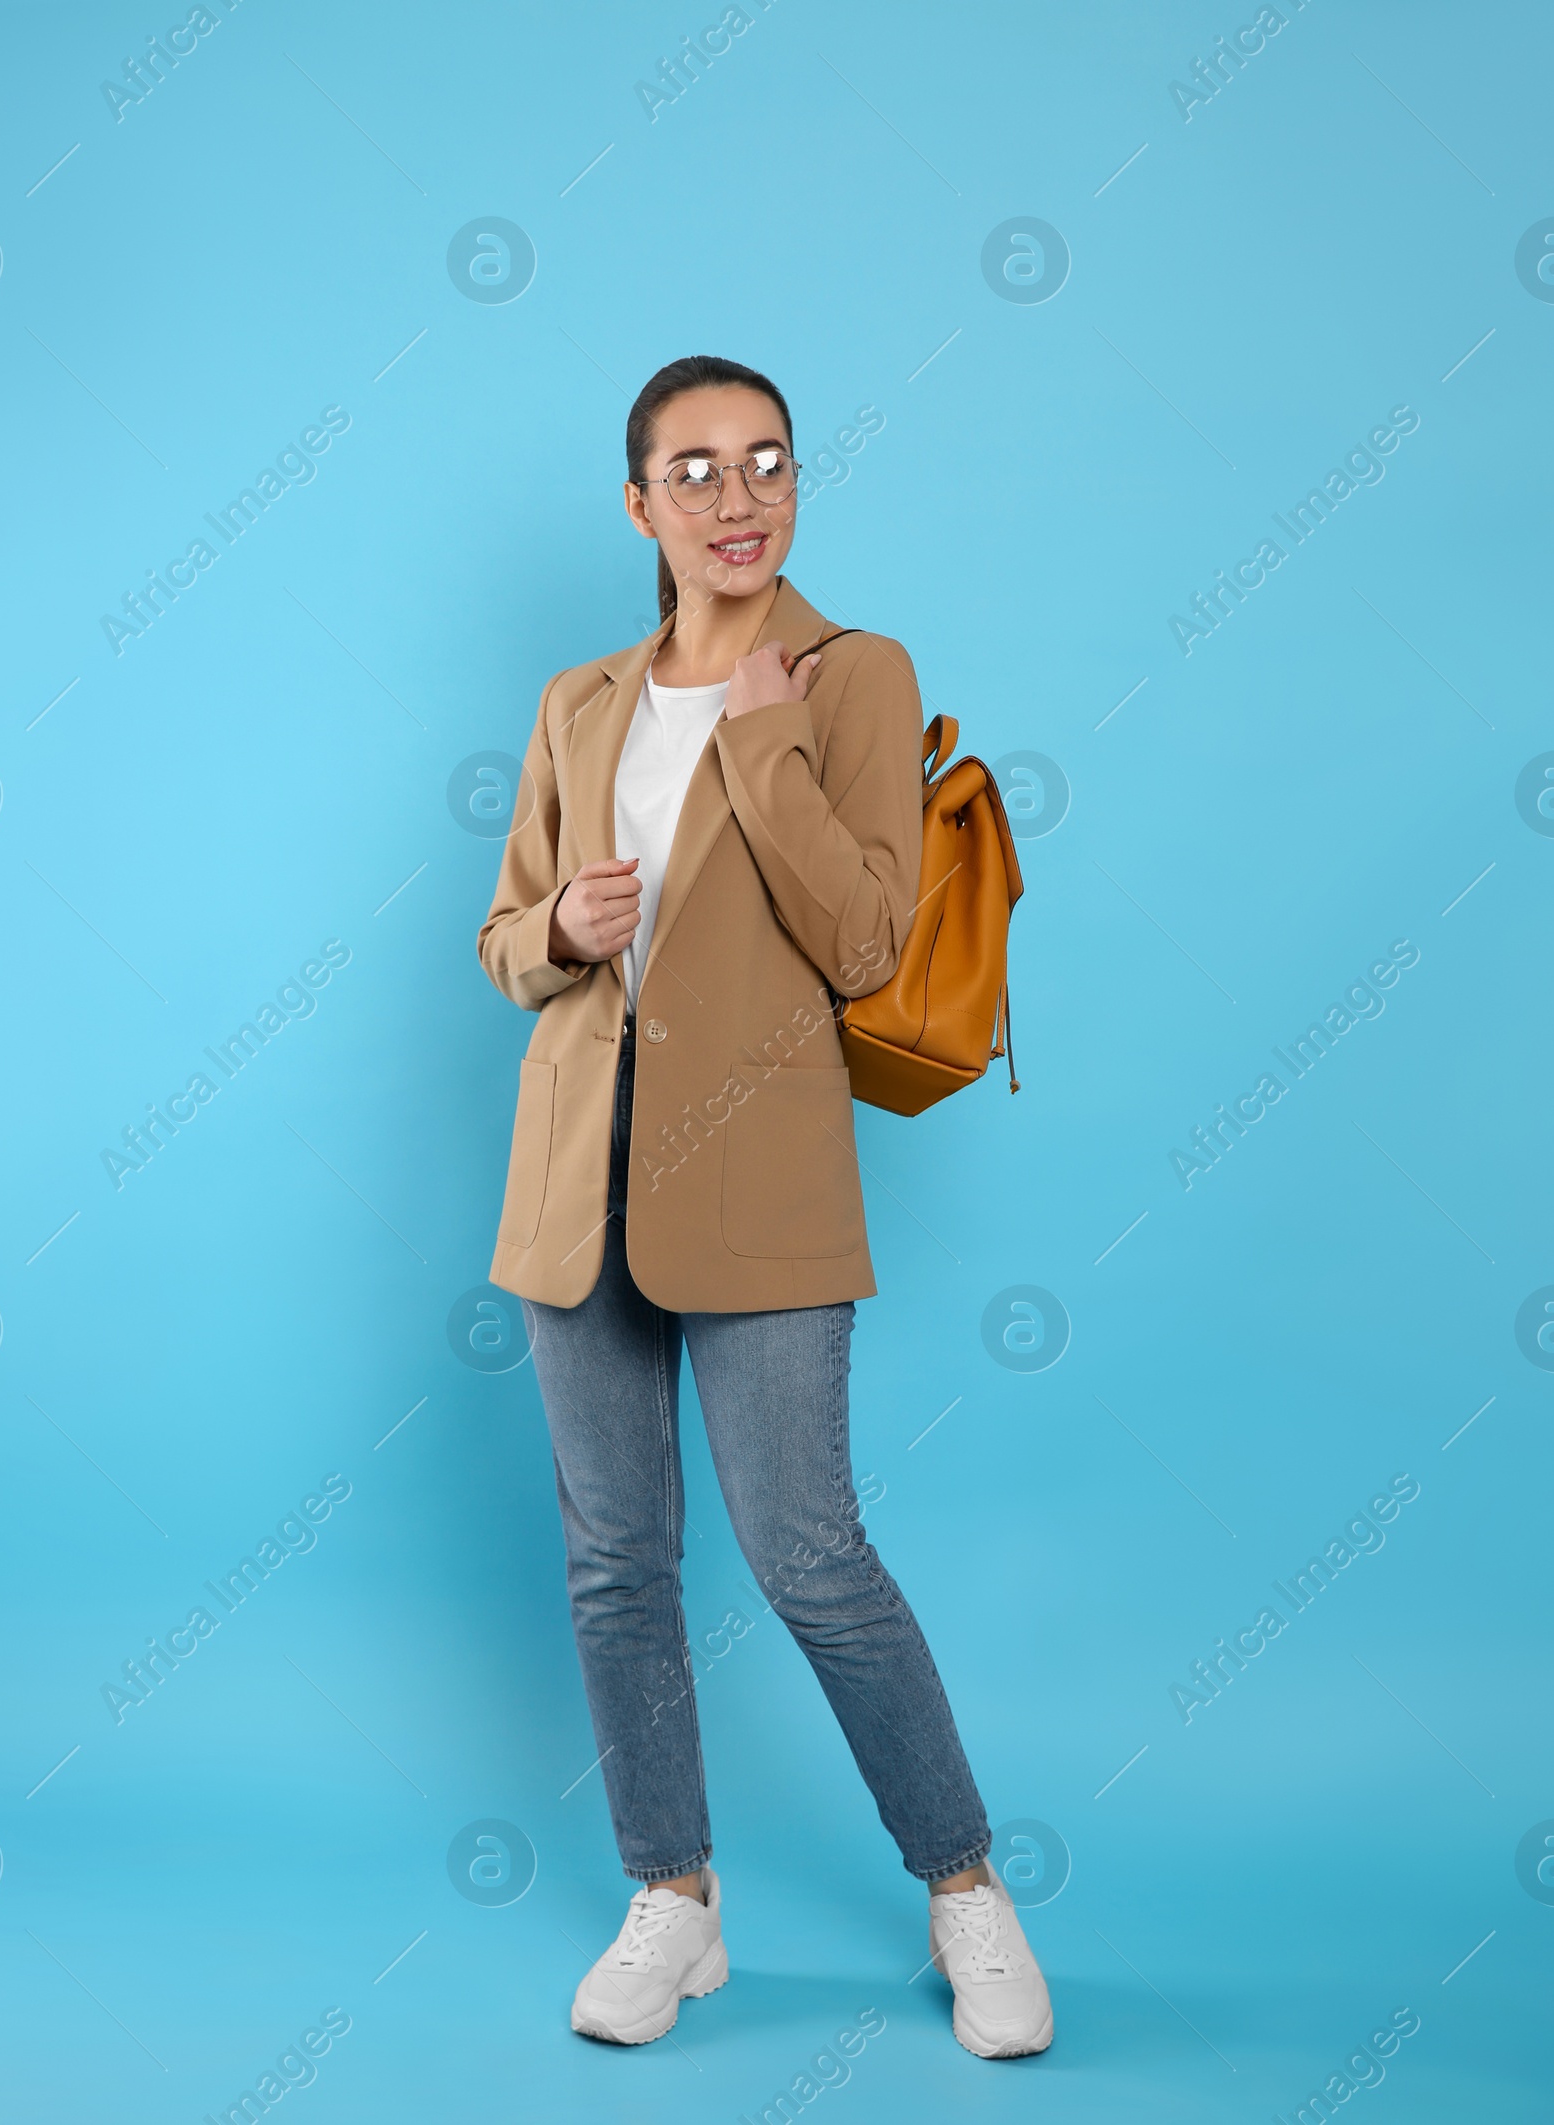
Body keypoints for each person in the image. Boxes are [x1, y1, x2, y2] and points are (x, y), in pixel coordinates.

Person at [477, 355, 1052, 2060]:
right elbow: (501, 938)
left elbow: (870, 938)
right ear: (641, 503)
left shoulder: (851, 675)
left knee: (811, 1554)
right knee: (614, 1565)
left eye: (770, 464)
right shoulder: (578, 700)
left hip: (766, 1178)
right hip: (575, 1186)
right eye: (699, 470)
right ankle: (676, 1897)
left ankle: (964, 1891)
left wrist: (765, 749)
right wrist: (562, 935)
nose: (740, 500)